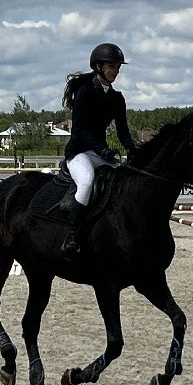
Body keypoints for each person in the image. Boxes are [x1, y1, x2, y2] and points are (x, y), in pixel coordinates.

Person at [59, 42, 136, 255]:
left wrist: (132, 149)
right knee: (86, 182)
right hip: (79, 152)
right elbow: (80, 130)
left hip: (100, 153)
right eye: (112, 66)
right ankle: (72, 236)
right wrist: (102, 150)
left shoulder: (116, 98)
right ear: (99, 67)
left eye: (118, 67)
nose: (116, 71)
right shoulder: (84, 92)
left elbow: (123, 131)